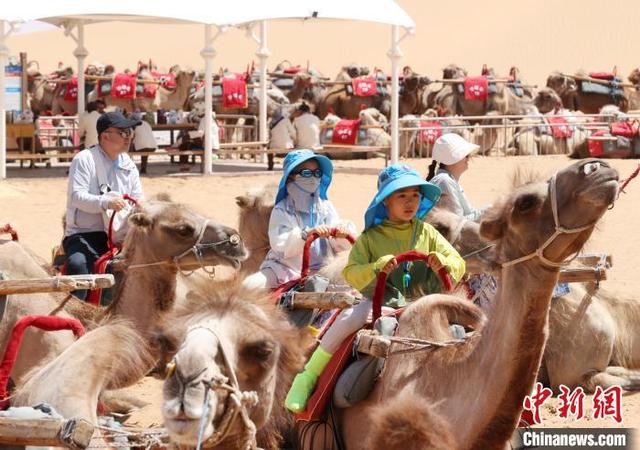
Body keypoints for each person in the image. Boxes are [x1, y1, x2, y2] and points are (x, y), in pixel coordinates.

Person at [285, 164, 466, 413]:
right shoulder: (371, 237)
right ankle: (308, 376)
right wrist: (376, 267)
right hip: (380, 303)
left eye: (415, 195)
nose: (409, 202)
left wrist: (443, 262)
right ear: (386, 202)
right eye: (401, 195)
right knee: (350, 316)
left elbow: (459, 263)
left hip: (422, 302)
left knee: (466, 326)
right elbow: (352, 271)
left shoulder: (428, 232)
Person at [242, 149, 355, 290]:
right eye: (306, 173)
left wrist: (340, 232)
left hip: (324, 268)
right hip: (285, 268)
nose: (313, 178)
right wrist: (305, 235)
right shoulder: (282, 209)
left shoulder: (325, 206)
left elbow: (336, 233)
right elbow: (279, 242)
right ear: (291, 177)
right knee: (249, 285)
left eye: (317, 173)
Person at [63, 111, 143, 300]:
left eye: (130, 132)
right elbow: (76, 196)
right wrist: (105, 202)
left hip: (121, 234)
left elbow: (139, 197)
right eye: (123, 133)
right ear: (105, 136)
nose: (129, 137)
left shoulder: (129, 164)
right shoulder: (84, 159)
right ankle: (75, 314)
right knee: (78, 265)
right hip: (84, 234)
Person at [427, 133, 486, 222]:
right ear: (452, 158)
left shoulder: (449, 180)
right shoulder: (444, 181)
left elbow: (468, 214)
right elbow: (457, 223)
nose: (468, 158)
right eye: (466, 155)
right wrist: (488, 211)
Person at [131, 110, 158, 174]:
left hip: (142, 148)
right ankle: (143, 167)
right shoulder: (147, 123)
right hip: (153, 147)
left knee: (127, 150)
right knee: (144, 146)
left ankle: (129, 167)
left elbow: (131, 137)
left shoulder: (134, 125)